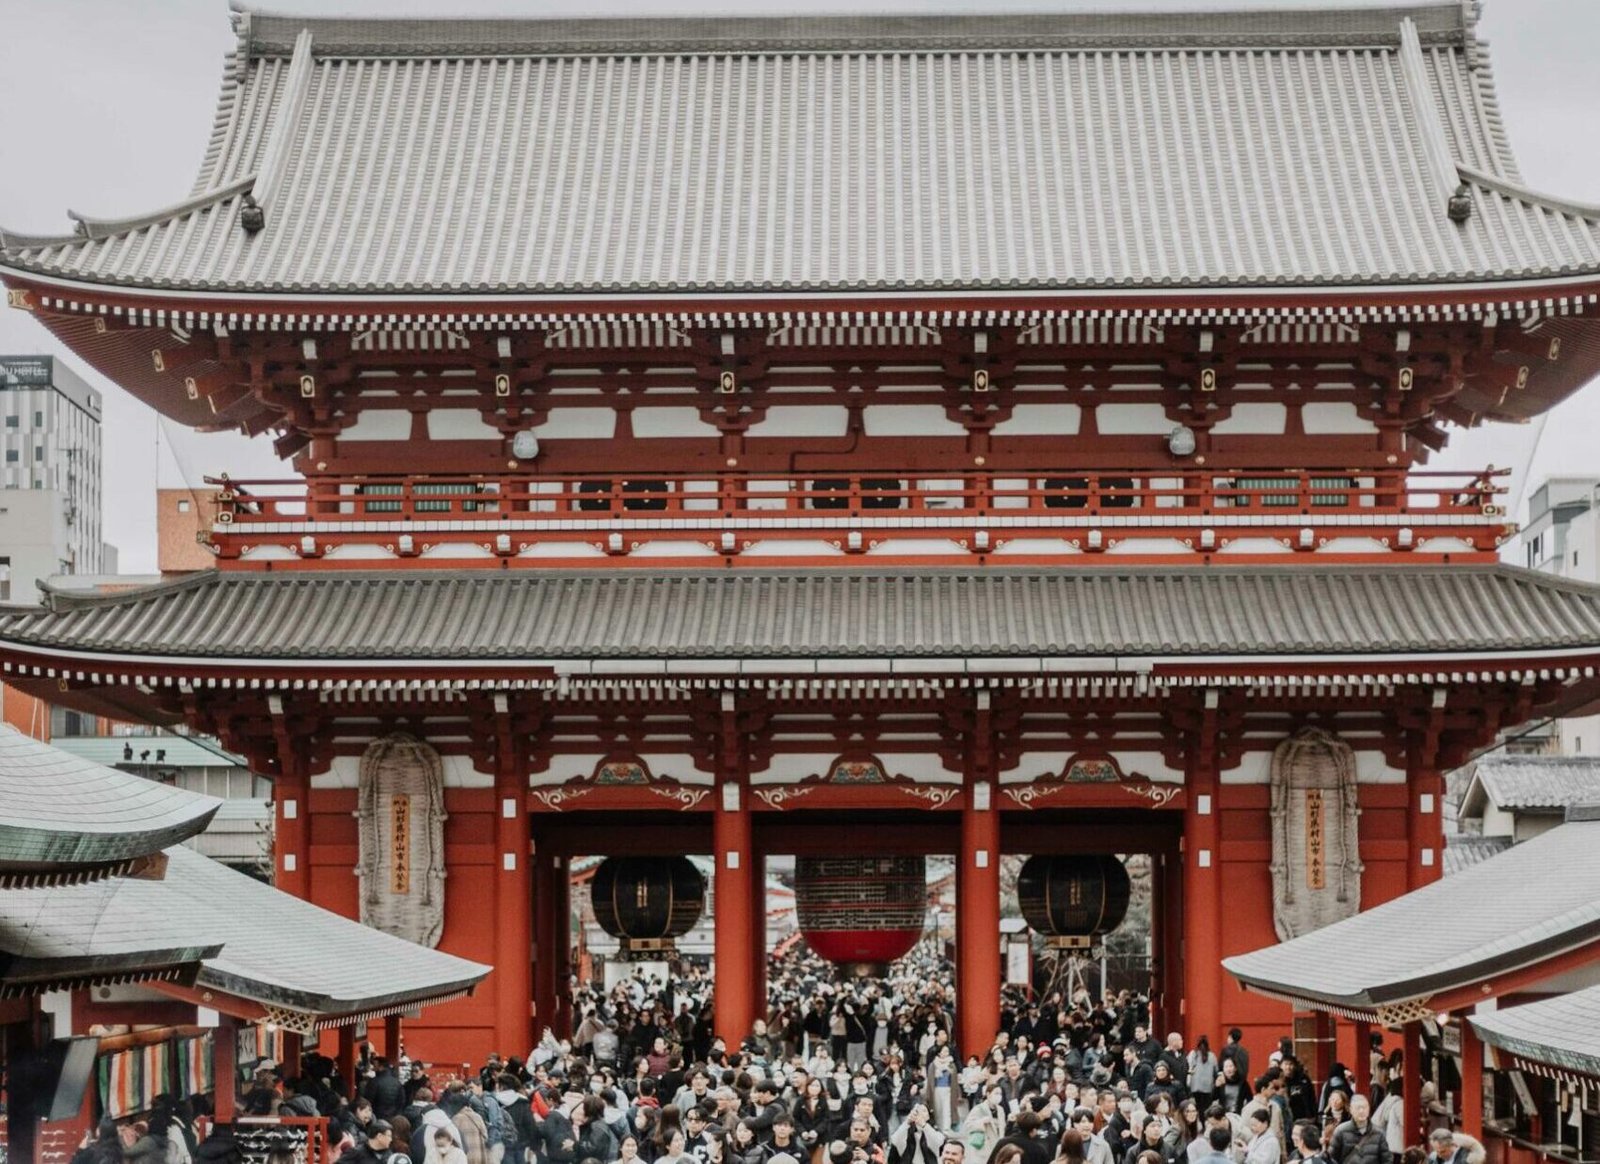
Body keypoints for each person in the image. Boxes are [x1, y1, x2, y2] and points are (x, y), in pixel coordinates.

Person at [1328, 1096, 1389, 1164]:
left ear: (1369, 1109)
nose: (1361, 1111)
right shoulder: (1341, 1130)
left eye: (1364, 1107)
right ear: (1351, 1109)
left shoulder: (1379, 1133)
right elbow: (1332, 1157)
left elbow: (1387, 1159)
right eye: (1358, 1108)